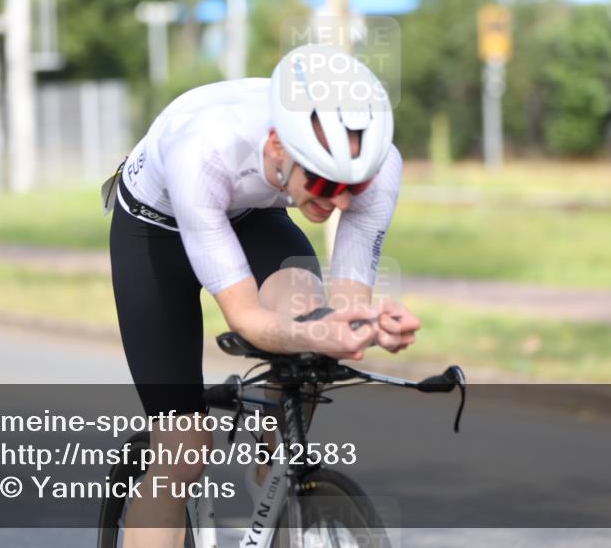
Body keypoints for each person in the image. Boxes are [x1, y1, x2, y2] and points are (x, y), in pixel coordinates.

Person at [107, 43, 419, 548]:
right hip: (153, 229)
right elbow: (247, 320)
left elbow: (343, 311)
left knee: (312, 332)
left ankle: (277, 484)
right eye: (322, 180)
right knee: (184, 448)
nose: (338, 200)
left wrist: (367, 326)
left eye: (352, 187)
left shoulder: (378, 171)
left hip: (253, 216)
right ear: (277, 147)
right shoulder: (205, 149)